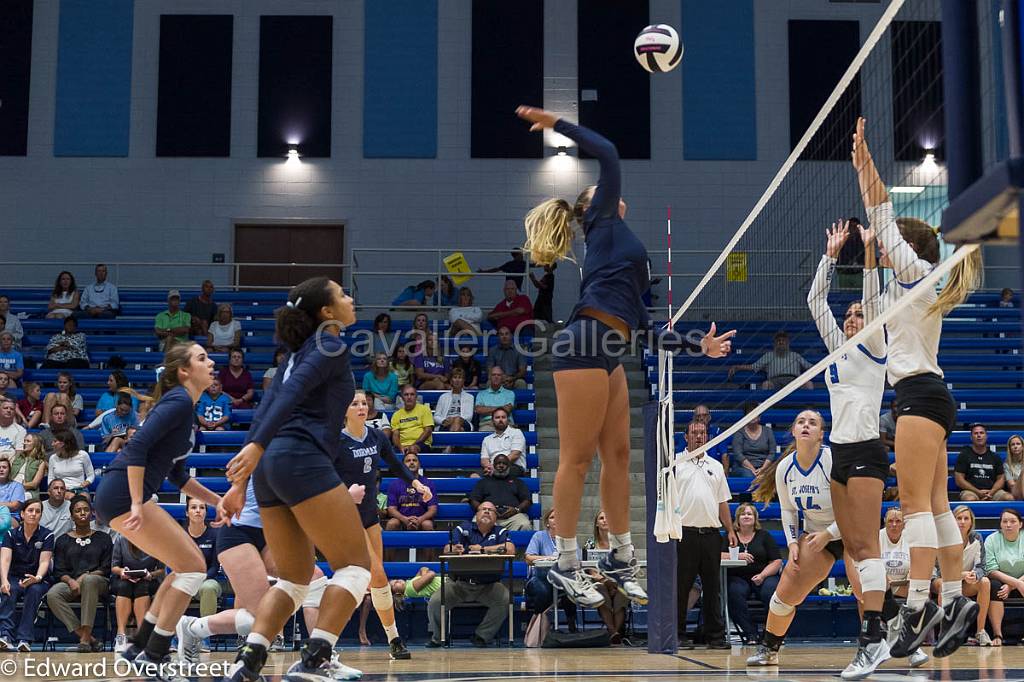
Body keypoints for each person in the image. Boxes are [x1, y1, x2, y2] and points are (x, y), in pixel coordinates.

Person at [515, 106, 735, 610]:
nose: (615, 194)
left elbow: (647, 330)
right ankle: (566, 562)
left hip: (612, 348)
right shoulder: (602, 221)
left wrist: (698, 345)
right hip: (584, 341)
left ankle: (620, 554)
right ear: (594, 205)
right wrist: (557, 124)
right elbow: (609, 154)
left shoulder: (627, 256)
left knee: (618, 457)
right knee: (576, 457)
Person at [854, 116, 983, 659]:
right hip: (931, 396)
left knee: (914, 507)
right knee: (933, 502)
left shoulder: (916, 272)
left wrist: (866, 169)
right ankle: (954, 599)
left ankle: (917, 605)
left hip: (919, 398)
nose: (883, 250)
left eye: (886, 246)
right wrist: (865, 249)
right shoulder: (906, 289)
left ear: (903, 247)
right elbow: (871, 311)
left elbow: (884, 215)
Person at [218, 277, 372, 682]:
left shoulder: (292, 355)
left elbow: (267, 405)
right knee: (357, 567)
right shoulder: (330, 344)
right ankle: (317, 657)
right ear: (326, 312)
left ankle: (249, 660)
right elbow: (287, 398)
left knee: (294, 578)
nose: (350, 299)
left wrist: (242, 479)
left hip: (270, 469)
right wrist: (253, 451)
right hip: (300, 459)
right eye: (342, 294)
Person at [91, 342, 226, 671]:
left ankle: (140, 647)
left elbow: (178, 476)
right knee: (194, 567)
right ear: (184, 371)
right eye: (202, 358)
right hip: (123, 494)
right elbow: (136, 448)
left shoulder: (185, 408)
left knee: (184, 568)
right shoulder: (179, 400)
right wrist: (138, 502)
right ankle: (155, 653)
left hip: (120, 495)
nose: (211, 363)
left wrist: (218, 501)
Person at [806, 218, 892, 676]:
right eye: (850, 315)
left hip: (866, 451)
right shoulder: (837, 349)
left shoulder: (875, 342)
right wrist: (831, 255)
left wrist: (869, 256)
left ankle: (873, 638)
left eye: (859, 313)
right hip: (839, 454)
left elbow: (875, 300)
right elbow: (814, 300)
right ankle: (897, 628)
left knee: (865, 548)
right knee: (856, 551)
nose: (853, 318)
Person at [176, 479, 325, 670]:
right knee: (263, 619)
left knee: (315, 577)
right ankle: (192, 628)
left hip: (272, 532)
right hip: (240, 532)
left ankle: (321, 656)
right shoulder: (265, 454)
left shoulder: (307, 459)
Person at [747, 411, 849, 670]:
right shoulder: (785, 468)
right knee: (783, 596)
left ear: (821, 434)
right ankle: (770, 649)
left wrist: (829, 534)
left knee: (865, 590)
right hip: (816, 535)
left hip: (850, 529)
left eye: (812, 422)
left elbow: (854, 507)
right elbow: (789, 510)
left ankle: (899, 644)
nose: (806, 425)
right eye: (801, 422)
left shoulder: (831, 460)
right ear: (793, 431)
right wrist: (793, 543)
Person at [335, 390, 432, 660]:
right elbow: (321, 480)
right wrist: (345, 494)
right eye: (354, 403)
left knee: (376, 581)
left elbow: (395, 464)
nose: (361, 407)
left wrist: (416, 483)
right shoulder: (335, 440)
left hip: (368, 516)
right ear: (344, 410)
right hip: (344, 516)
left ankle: (392, 639)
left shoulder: (376, 435)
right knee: (377, 574)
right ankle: (392, 638)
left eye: (364, 403)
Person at [674, 421, 734, 649]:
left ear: (707, 437)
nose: (699, 437)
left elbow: (722, 502)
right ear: (686, 436)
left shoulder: (716, 466)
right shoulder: (676, 464)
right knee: (682, 588)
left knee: (713, 589)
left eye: (702, 433)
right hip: (684, 535)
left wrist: (729, 530)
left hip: (711, 535)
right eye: (694, 433)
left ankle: (715, 637)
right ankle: (678, 634)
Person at [427, 501, 515, 647]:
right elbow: (447, 548)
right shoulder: (463, 528)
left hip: (489, 585)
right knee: (436, 601)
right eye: (483, 509)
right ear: (476, 514)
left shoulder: (500, 531)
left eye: (491, 510)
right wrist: (454, 549)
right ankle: (439, 637)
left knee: (505, 599)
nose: (487, 512)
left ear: (495, 517)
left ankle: (482, 636)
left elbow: (510, 549)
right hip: (459, 584)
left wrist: (482, 549)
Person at [45, 495, 113, 652]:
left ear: (91, 514)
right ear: (72, 516)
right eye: (78, 511)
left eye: (86, 510)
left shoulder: (103, 538)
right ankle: (89, 638)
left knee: (89, 581)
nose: (82, 513)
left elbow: (106, 567)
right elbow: (59, 570)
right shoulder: (62, 540)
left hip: (98, 582)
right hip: (71, 584)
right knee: (53, 594)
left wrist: (84, 577)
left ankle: (84, 639)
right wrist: (70, 581)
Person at [722, 503, 782, 644]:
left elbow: (776, 561)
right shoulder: (730, 536)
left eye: (749, 514)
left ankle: (769, 634)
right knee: (733, 593)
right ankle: (751, 633)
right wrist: (736, 556)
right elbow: (717, 554)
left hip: (763, 576)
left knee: (771, 593)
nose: (746, 516)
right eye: (743, 514)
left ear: (755, 518)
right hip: (738, 577)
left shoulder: (764, 536)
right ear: (737, 518)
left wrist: (762, 576)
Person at [933, 506, 991, 646]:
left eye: (966, 518)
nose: (962, 522)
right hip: (941, 580)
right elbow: (940, 571)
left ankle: (980, 632)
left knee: (985, 582)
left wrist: (974, 575)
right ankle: (945, 633)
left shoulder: (976, 538)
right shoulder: (942, 538)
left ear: (971, 522)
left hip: (963, 582)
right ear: (952, 520)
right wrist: (961, 575)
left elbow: (981, 567)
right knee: (942, 584)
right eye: (959, 518)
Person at [0, 498, 53, 651]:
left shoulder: (47, 535)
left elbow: (45, 561)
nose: (33, 514)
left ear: (41, 515)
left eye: (37, 511)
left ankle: (25, 638)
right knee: (9, 589)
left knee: (34, 591)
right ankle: (5, 635)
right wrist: (4, 580)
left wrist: (37, 578)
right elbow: (5, 559)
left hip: (38, 578)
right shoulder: (11, 534)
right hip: (15, 576)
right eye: (30, 510)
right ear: (22, 514)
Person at [525, 509, 578, 634]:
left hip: (563, 577)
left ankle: (572, 628)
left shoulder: (570, 538)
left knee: (570, 589)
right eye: (553, 517)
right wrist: (547, 558)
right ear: (547, 522)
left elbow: (577, 560)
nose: (556, 520)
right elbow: (528, 558)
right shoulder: (539, 536)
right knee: (543, 591)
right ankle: (539, 628)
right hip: (540, 578)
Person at [110, 535, 165, 654]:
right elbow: (114, 567)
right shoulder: (121, 539)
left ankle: (142, 635)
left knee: (142, 587)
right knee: (124, 587)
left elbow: (161, 570)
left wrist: (151, 575)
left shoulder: (157, 539)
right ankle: (121, 635)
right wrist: (121, 571)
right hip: (124, 579)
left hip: (148, 579)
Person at [581, 510, 630, 642]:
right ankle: (613, 632)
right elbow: (588, 568)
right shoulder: (589, 544)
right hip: (598, 582)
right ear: (596, 523)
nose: (605, 520)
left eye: (608, 518)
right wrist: (603, 579)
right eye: (601, 518)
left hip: (617, 581)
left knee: (622, 592)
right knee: (600, 590)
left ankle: (615, 632)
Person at [984, 509, 1024, 646]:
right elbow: (991, 570)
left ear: (1020, 524)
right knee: (993, 585)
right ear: (1000, 524)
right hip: (1000, 581)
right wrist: (1016, 583)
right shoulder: (992, 539)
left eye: (1013, 521)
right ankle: (997, 634)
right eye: (1005, 521)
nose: (1008, 525)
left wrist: (1013, 585)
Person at [728, 331, 813, 390]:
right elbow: (753, 366)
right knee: (766, 384)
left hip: (794, 381)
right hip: (775, 381)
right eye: (779, 340)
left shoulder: (795, 355)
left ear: (787, 343)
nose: (781, 342)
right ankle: (768, 412)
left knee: (808, 384)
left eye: (783, 340)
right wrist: (737, 367)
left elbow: (810, 367)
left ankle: (810, 409)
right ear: (775, 343)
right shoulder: (769, 355)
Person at [468, 454, 532, 531]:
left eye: (504, 463)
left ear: (509, 466)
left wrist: (516, 510)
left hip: (512, 517)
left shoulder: (517, 482)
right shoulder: (483, 482)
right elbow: (473, 500)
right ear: (493, 465)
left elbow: (527, 500)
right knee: (476, 522)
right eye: (498, 463)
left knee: (525, 524)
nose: (501, 465)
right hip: (489, 516)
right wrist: (487, 510)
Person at [184, 497, 221, 620]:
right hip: (184, 580)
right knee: (171, 588)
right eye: (193, 507)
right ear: (187, 512)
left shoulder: (215, 534)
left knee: (209, 588)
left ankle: (205, 635)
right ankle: (174, 634)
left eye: (202, 507)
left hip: (206, 579)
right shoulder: (180, 534)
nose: (198, 511)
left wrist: (200, 578)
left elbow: (215, 567)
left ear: (206, 512)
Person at [955, 423, 1012, 501]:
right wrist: (978, 492)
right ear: (971, 437)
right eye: (976, 433)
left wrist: (991, 492)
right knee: (969, 499)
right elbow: (959, 480)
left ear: (986, 436)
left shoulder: (995, 457)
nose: (979, 435)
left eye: (981, 433)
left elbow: (1001, 478)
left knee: (1009, 498)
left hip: (992, 492)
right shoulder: (964, 455)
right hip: (971, 491)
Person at [385, 451, 437, 531]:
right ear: (402, 466)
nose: (411, 462)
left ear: (419, 465)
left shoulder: (428, 483)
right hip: (401, 520)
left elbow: (433, 509)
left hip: (422, 519)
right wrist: (405, 520)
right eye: (408, 461)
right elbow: (391, 509)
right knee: (392, 523)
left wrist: (419, 520)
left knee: (427, 524)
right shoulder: (395, 484)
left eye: (414, 460)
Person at [724, 402, 776, 478]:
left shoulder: (768, 431)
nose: (752, 416)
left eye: (755, 413)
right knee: (749, 475)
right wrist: (753, 469)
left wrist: (763, 469)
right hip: (743, 467)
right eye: (749, 414)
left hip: (764, 466)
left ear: (759, 417)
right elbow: (738, 455)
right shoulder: (739, 432)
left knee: (771, 474)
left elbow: (772, 453)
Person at [479, 407, 526, 477]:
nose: (500, 420)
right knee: (474, 476)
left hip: (513, 467)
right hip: (492, 467)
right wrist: (490, 467)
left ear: (508, 420)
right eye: (497, 417)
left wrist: (496, 466)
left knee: (498, 474)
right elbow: (484, 459)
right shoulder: (487, 439)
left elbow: (515, 455)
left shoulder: (517, 433)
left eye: (503, 417)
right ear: (492, 421)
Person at [47, 432, 94, 498]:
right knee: (68, 497)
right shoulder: (53, 458)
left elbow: (91, 475)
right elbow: (51, 478)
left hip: (80, 489)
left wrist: (86, 482)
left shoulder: (83, 455)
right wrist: (55, 489)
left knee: (84, 498)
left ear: (63, 444)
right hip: (61, 489)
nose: (52, 444)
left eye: (55, 441)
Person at [390, 385, 433, 455]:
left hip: (421, 444)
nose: (409, 397)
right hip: (402, 446)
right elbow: (395, 435)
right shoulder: (396, 415)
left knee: (413, 449)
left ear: (416, 397)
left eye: (412, 394)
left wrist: (413, 445)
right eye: (406, 395)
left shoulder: (425, 409)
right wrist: (401, 447)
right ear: (402, 398)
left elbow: (428, 430)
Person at [433, 367, 474, 438]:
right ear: (451, 381)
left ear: (463, 380)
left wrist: (455, 419)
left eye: (460, 377)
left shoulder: (470, 397)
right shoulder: (443, 397)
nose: (457, 380)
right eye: (455, 377)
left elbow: (469, 416)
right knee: (460, 429)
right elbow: (436, 416)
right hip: (446, 423)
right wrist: (444, 421)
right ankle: (452, 447)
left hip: (464, 422)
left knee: (457, 420)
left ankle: (449, 446)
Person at [475, 366, 516, 433]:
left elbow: (508, 409)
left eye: (499, 375)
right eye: (493, 375)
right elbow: (479, 410)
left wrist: (487, 410)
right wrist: (501, 408)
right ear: (489, 377)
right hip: (487, 424)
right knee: (484, 432)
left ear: (502, 377)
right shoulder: (481, 394)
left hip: (506, 423)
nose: (496, 377)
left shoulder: (510, 393)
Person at [10, 434, 46, 500]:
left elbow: (34, 484)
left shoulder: (40, 462)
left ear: (36, 444)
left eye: (28, 441)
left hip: (28, 491)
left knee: (18, 497)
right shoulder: (17, 457)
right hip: (11, 487)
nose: (24, 443)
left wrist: (17, 486)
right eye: (24, 440)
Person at [1006, 434, 1024, 500]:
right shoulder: (1007, 465)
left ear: (1022, 447)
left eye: (1018, 444)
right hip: (1015, 491)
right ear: (1010, 448)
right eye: (1013, 444)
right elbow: (1011, 485)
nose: (1015, 446)